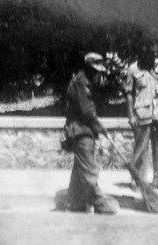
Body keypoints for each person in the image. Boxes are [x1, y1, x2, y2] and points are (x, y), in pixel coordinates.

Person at [62, 52, 119, 214]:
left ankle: (74, 202)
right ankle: (100, 204)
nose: (97, 73)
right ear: (87, 67)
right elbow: (86, 112)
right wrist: (99, 126)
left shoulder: (86, 82)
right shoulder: (79, 83)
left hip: (84, 130)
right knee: (89, 169)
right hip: (80, 131)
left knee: (80, 167)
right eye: (94, 69)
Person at [124, 43, 158, 190]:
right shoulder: (133, 69)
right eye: (150, 55)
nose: (153, 57)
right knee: (141, 148)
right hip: (142, 113)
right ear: (142, 54)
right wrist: (130, 116)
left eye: (155, 54)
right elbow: (129, 94)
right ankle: (138, 180)